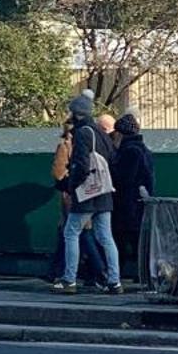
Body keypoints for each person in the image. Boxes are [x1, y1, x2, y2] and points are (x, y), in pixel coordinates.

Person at [59, 93, 121, 294]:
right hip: (104, 191)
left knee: (71, 232)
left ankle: (69, 280)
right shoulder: (101, 132)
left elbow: (81, 164)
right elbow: (112, 160)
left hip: (87, 193)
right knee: (106, 237)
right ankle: (115, 281)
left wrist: (72, 184)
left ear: (76, 113)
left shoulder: (83, 133)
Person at [110, 112, 155, 284]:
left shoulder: (129, 152)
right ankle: (144, 275)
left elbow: (123, 178)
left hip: (127, 205)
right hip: (139, 203)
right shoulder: (144, 150)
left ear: (121, 133)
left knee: (121, 240)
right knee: (138, 242)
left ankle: (119, 274)